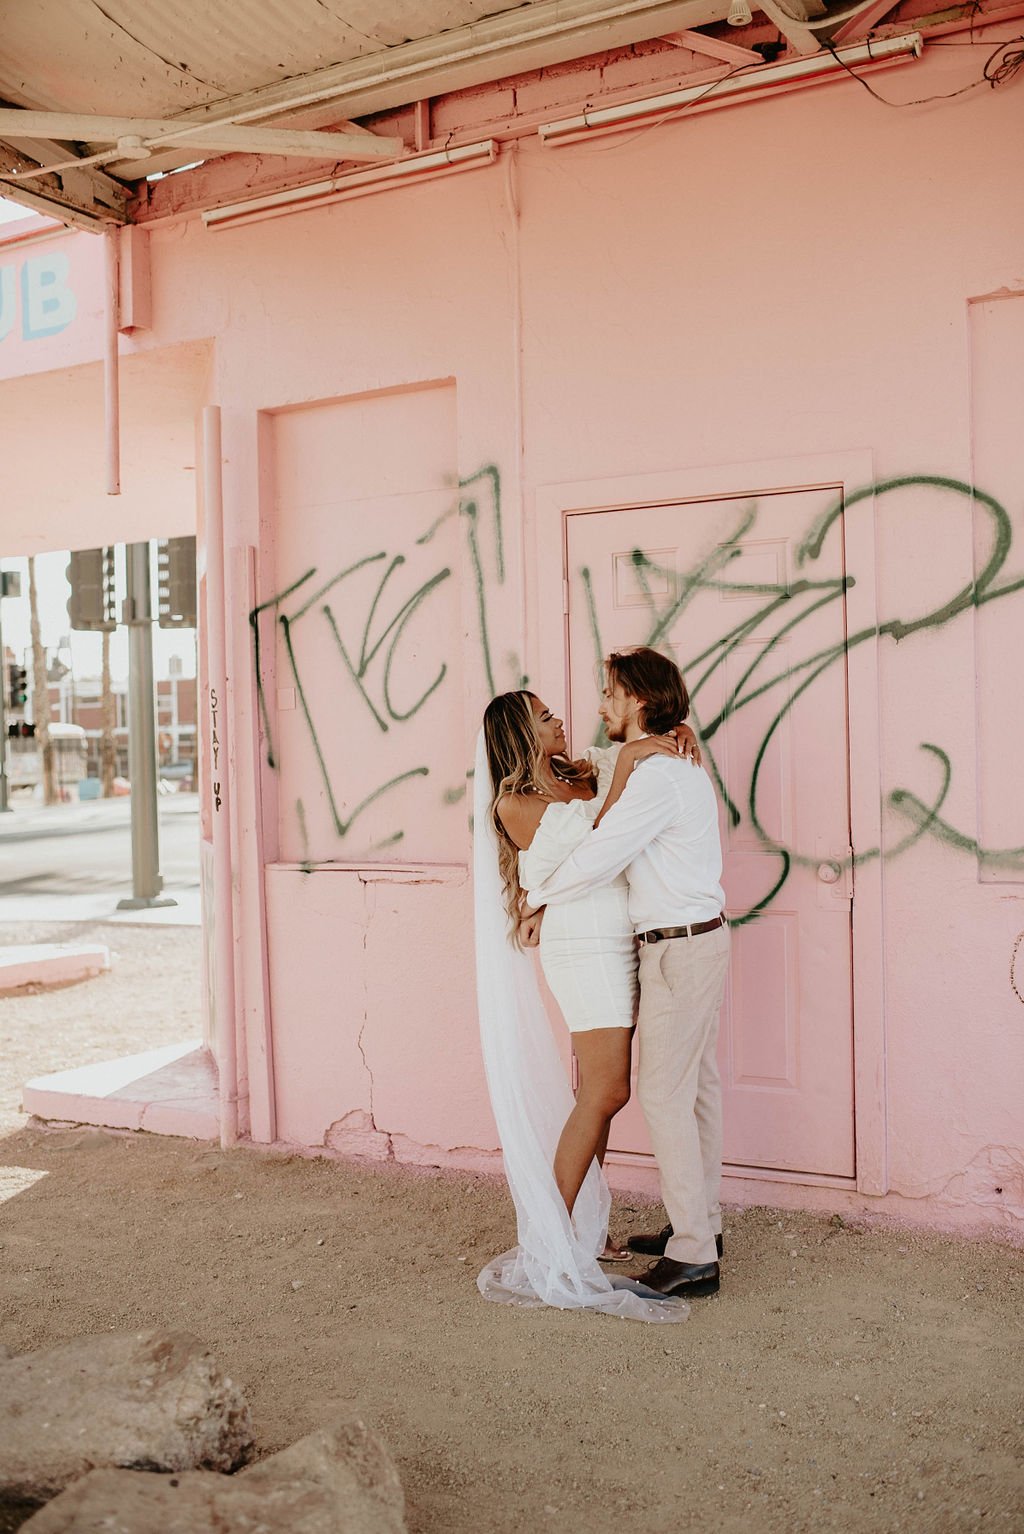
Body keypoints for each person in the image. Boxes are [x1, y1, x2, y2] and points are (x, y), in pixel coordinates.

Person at [471, 692, 694, 1323]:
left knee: (602, 1092)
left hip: (622, 937)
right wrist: (628, 766)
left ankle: (585, 1228)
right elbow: (596, 843)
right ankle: (548, 1241)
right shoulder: (515, 803)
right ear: (521, 732)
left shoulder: (582, 771)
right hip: (583, 948)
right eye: (545, 717)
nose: (560, 720)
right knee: (605, 1090)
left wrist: (670, 733)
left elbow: (633, 765)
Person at [523, 648, 730, 1301]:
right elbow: (596, 771)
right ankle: (701, 1226)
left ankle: (693, 1254)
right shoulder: (659, 763)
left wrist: (536, 897)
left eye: (610, 694)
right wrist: (647, 745)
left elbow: (598, 857)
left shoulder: (659, 777)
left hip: (680, 949)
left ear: (638, 700)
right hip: (690, 943)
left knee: (667, 1096)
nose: (601, 706)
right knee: (695, 1091)